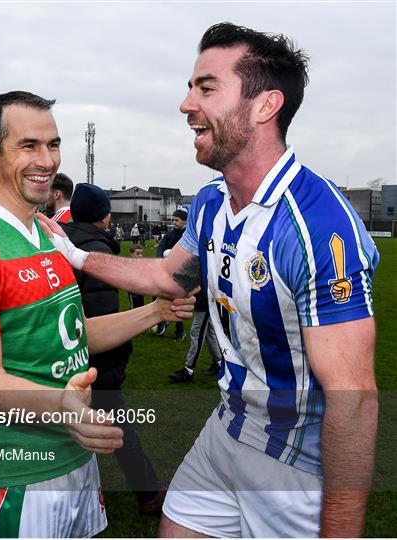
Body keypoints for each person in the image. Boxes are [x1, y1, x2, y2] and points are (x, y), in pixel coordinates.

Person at [38, 22, 379, 538]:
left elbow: (353, 399)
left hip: (292, 462)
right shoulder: (212, 202)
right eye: (190, 86)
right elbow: (168, 275)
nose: (186, 103)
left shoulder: (316, 225)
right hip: (229, 424)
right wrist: (73, 253)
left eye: (206, 87)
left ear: (265, 106)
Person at [0, 91, 195, 539]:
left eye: (53, 145)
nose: (46, 160)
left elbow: (72, 334)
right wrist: (63, 408)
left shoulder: (49, 237)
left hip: (78, 459)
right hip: (18, 475)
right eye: (28, 146)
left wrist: (155, 311)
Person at [64, 183, 164, 515]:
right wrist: (111, 365)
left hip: (63, 357)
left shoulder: (62, 241)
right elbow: (102, 315)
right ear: (105, 217)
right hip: (94, 361)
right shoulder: (96, 252)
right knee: (117, 428)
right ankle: (148, 493)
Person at [168, 286, 222, 382]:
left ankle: (189, 370)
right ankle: (219, 363)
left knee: (196, 333)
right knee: (209, 333)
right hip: (205, 299)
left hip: (205, 300)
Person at [155, 209, 188, 341]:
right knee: (159, 296)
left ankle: (179, 331)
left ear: (184, 221)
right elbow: (160, 248)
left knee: (177, 302)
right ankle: (160, 323)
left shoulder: (187, 236)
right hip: (167, 271)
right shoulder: (169, 235)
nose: (173, 222)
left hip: (181, 273)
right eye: (172, 220)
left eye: (176, 220)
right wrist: (159, 259)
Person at [128, 245, 145, 309]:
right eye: (137, 254)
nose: (140, 256)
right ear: (131, 254)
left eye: (141, 254)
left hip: (141, 289)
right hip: (133, 291)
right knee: (134, 307)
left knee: (141, 306)